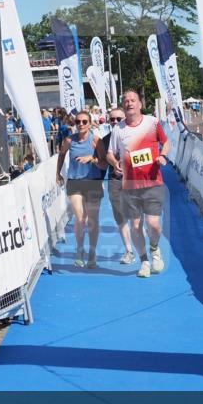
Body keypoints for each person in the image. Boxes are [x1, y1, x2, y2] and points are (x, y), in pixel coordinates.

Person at [106, 89, 170, 278]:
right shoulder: (118, 129)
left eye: (133, 100)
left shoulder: (152, 123)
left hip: (153, 182)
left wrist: (163, 155)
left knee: (154, 224)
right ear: (123, 106)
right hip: (130, 186)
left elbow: (166, 143)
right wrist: (114, 162)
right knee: (135, 226)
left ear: (140, 104)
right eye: (126, 101)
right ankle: (144, 261)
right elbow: (110, 153)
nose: (129, 103)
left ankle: (154, 248)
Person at [57, 109, 106, 268]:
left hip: (93, 182)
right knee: (80, 218)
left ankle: (92, 252)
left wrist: (92, 159)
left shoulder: (96, 141)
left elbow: (104, 163)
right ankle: (79, 250)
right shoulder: (69, 140)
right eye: (78, 122)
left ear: (90, 123)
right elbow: (61, 154)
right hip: (75, 182)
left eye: (84, 122)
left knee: (92, 219)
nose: (81, 124)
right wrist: (58, 173)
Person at [97, 107, 136, 265]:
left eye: (118, 119)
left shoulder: (135, 136)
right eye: (111, 119)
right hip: (115, 181)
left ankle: (147, 248)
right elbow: (102, 165)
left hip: (135, 181)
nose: (115, 122)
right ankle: (129, 251)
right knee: (120, 217)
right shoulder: (104, 141)